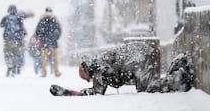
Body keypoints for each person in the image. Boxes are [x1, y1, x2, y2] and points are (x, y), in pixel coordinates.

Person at [51, 42, 194, 96]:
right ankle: (177, 66)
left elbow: (98, 91)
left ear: (88, 72)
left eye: (86, 78)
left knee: (148, 89)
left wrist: (72, 93)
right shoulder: (99, 61)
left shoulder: (98, 70)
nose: (89, 81)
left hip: (137, 58)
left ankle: (180, 78)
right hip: (139, 52)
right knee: (148, 86)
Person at [0, 5, 33, 77]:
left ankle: (9, 66)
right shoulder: (18, 18)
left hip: (8, 40)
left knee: (7, 54)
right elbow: (22, 28)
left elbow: (1, 25)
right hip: (17, 40)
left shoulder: (6, 18)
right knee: (15, 54)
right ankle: (14, 67)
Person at [35, 7, 62, 77]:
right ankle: (56, 71)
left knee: (44, 58)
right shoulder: (55, 20)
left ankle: (44, 72)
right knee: (55, 58)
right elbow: (59, 30)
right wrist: (56, 37)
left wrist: (41, 37)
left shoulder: (42, 20)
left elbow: (37, 31)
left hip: (44, 41)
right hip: (53, 41)